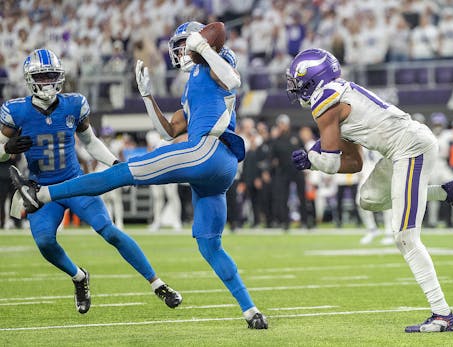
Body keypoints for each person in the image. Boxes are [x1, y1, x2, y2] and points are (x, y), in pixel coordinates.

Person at [10, 24, 268, 329]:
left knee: (120, 173)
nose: (182, 51)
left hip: (207, 151)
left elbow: (233, 79)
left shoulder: (216, 64)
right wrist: (147, 97)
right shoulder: (192, 85)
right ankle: (251, 311)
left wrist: (205, 48)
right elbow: (169, 131)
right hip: (218, 170)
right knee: (209, 246)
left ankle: (40, 194)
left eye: (186, 44)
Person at [287, 48, 453, 333]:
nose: (296, 89)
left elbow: (332, 162)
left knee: (405, 237)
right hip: (399, 150)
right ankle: (447, 192)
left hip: (410, 147)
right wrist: (315, 159)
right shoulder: (336, 96)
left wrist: (312, 159)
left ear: (313, 79)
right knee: (368, 199)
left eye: (298, 82)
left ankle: (443, 314)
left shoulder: (325, 99)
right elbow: (354, 163)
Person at [0, 49, 181, 314]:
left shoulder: (74, 104)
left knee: (109, 230)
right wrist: (8, 148)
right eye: (43, 76)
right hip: (41, 189)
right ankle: (78, 277)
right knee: (45, 242)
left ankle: (157, 284)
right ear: (30, 80)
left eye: (53, 76)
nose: (49, 82)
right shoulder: (15, 111)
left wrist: (116, 165)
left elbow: (91, 143)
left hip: (75, 183)